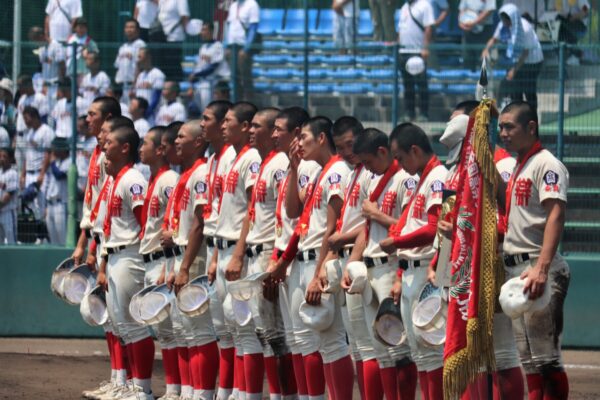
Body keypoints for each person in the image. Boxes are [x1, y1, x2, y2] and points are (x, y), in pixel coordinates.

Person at [435, 100, 525, 399]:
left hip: (491, 266)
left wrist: (469, 231)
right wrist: (442, 266)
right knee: (469, 354)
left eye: (457, 121)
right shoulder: (452, 173)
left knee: (502, 353)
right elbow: (445, 223)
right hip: (460, 270)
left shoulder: (504, 165)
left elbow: (510, 219)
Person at [270, 116, 354, 399]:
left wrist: (319, 274)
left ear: (321, 138)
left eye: (304, 137)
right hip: (303, 261)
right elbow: (294, 211)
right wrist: (294, 169)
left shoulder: (337, 171)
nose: (299, 143)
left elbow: (332, 229)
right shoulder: (318, 173)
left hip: (322, 264)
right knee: (302, 340)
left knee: (331, 343)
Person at [499, 100, 570, 400]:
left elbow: (556, 213)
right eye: (500, 127)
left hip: (537, 265)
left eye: (509, 126)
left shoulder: (546, 163)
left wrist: (542, 266)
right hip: (517, 268)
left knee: (546, 358)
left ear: (531, 127)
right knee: (528, 360)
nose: (503, 133)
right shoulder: (519, 164)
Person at [228, 107, 299, 400]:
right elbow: (254, 212)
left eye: (262, 127)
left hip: (271, 252)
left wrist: (274, 261)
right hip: (260, 253)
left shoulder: (281, 163)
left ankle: (288, 396)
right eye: (254, 126)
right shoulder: (267, 162)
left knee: (280, 336)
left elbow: (288, 218)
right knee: (266, 334)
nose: (255, 132)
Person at [349, 127, 419, 400]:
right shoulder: (372, 179)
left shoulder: (405, 180)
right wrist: (353, 262)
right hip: (370, 265)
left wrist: (377, 215)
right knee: (381, 350)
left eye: (368, 161)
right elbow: (366, 228)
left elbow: (410, 229)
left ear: (382, 152)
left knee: (399, 349)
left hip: (392, 266)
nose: (367, 168)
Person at [379, 122, 448, 400]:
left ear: (415, 150)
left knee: (432, 350)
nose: (398, 163)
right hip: (410, 272)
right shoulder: (423, 178)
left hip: (426, 271)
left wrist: (396, 242)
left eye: (400, 157)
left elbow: (434, 228)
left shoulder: (439, 176)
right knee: (421, 354)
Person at [97, 123, 156, 400]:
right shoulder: (116, 178)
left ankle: (142, 388)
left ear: (124, 148)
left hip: (130, 254)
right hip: (114, 253)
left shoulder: (133, 178)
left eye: (109, 143)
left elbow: (145, 222)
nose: (104, 146)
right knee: (121, 324)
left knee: (133, 324)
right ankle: (130, 385)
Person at [163, 120, 221, 400]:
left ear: (198, 142)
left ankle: (203, 394)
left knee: (199, 331)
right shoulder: (186, 174)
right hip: (181, 254)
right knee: (185, 331)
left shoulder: (200, 174)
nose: (175, 141)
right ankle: (188, 392)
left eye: (181, 137)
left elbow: (199, 223)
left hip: (194, 256)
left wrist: (185, 267)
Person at [211, 102, 263, 400]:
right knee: (230, 326)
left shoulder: (251, 159)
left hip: (239, 250)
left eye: (228, 121)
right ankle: (235, 392)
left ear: (244, 126)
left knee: (244, 326)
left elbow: (251, 210)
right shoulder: (233, 157)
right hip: (224, 246)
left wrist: (238, 254)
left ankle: (247, 395)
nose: (222, 126)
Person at [137, 125, 182, 400]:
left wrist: (169, 264)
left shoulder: (169, 180)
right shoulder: (155, 179)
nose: (141, 148)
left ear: (160, 149)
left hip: (163, 260)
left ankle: (180, 389)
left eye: (146, 143)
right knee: (165, 332)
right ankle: (174, 389)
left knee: (174, 330)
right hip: (151, 260)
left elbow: (176, 222)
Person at [197, 100, 237, 400]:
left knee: (242, 331)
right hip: (218, 248)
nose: (204, 123)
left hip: (236, 249)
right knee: (223, 330)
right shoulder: (213, 158)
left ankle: (238, 392)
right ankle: (225, 392)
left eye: (208, 118)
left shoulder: (236, 156)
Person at [481, 4, 544, 109]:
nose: (504, 22)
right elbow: (494, 39)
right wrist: (486, 49)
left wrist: (514, 70)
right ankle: (518, 119)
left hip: (533, 62)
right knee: (515, 90)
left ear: (513, 18)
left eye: (506, 20)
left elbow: (525, 52)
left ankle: (532, 118)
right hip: (517, 61)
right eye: (503, 19)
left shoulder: (525, 28)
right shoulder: (503, 25)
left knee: (529, 91)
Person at [398, 0, 435, 122]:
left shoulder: (425, 5)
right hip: (404, 52)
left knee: (421, 84)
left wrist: (425, 47)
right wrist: (398, 45)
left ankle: (424, 113)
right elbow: (401, 29)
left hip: (418, 51)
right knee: (408, 85)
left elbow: (428, 27)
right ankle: (409, 112)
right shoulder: (404, 6)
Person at [22, 106, 54, 221]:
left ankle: (44, 236)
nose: (24, 121)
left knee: (41, 205)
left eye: (26, 118)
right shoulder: (29, 132)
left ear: (34, 117)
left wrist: (42, 174)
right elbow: (27, 155)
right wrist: (23, 174)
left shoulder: (46, 130)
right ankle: (38, 236)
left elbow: (48, 153)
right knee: (31, 206)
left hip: (40, 173)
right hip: (29, 173)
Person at [188, 22, 230, 111]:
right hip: (203, 80)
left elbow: (213, 67)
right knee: (199, 103)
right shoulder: (203, 47)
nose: (202, 32)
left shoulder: (218, 46)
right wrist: (192, 82)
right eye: (201, 30)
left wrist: (196, 75)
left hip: (215, 80)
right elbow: (199, 67)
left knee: (207, 106)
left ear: (211, 31)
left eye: (204, 30)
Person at [15, 75, 49, 177]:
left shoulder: (40, 98)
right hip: (19, 136)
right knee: (19, 168)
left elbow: (43, 118)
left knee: (30, 165)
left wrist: (37, 135)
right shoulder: (21, 99)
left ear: (29, 84)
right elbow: (19, 119)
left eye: (21, 85)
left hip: (31, 135)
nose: (19, 88)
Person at [226, 0, 260, 101]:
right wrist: (226, 46)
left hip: (243, 47)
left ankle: (249, 105)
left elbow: (253, 28)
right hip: (232, 46)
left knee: (246, 79)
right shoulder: (233, 6)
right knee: (234, 78)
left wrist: (246, 48)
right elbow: (228, 27)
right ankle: (237, 104)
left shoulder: (252, 4)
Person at [45, 137, 70, 245]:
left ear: (62, 149)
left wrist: (52, 162)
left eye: (55, 148)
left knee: (62, 240)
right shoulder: (57, 162)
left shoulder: (70, 161)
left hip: (61, 205)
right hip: (50, 204)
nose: (53, 151)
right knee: (53, 241)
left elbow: (59, 175)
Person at [155, 0, 190, 80]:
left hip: (174, 36)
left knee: (173, 63)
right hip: (162, 37)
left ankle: (176, 85)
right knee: (164, 64)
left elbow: (184, 17)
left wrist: (185, 30)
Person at [459, 0, 496, 71]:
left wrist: (474, 22)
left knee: (483, 59)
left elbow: (489, 10)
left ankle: (483, 80)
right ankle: (468, 80)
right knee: (467, 57)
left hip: (484, 30)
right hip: (468, 30)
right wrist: (461, 22)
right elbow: (462, 9)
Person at [115, 18, 147, 100]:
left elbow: (140, 66)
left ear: (137, 30)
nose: (129, 29)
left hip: (133, 85)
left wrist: (134, 85)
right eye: (127, 27)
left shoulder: (140, 44)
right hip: (121, 86)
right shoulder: (122, 47)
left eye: (132, 27)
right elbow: (117, 67)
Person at [133, 48, 166, 121]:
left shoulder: (158, 74)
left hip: (152, 115)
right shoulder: (141, 75)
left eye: (140, 56)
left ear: (148, 57)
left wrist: (146, 114)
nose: (138, 60)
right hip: (139, 115)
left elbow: (156, 98)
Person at [555, 0, 590, 65]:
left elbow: (586, 9)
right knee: (555, 24)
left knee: (561, 28)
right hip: (566, 24)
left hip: (579, 25)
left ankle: (576, 54)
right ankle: (569, 55)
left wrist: (574, 17)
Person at [0, 148, 18, 244]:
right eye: (0, 156)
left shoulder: (13, 173)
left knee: (12, 242)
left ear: (11, 159)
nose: (2, 159)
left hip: (8, 213)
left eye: (4, 156)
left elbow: (8, 195)